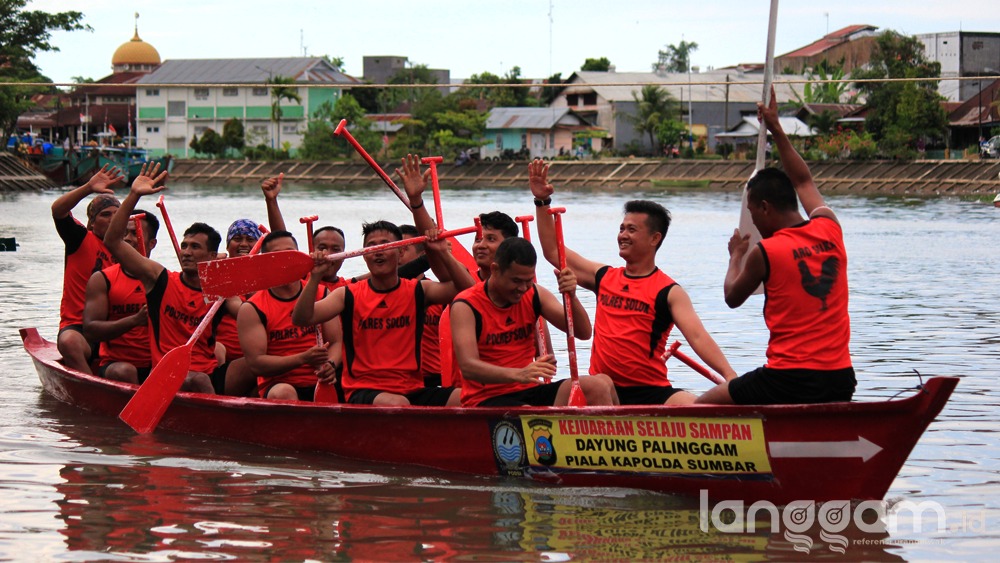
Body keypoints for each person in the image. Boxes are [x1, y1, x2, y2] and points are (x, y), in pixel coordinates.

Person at [529, 159, 737, 405]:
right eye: (622, 228)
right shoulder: (604, 276)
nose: (623, 235)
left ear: (654, 238)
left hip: (652, 389)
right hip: (604, 389)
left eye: (631, 230)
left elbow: (699, 338)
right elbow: (553, 251)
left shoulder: (669, 291)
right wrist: (542, 202)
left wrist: (730, 376)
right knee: (598, 384)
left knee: (697, 406)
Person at [697, 91, 855, 405]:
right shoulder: (829, 227)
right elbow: (804, 182)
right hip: (840, 377)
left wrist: (736, 257)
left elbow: (732, 297)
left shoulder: (765, 253)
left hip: (788, 378)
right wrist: (776, 129)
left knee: (703, 406)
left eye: (752, 214)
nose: (753, 222)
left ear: (766, 207)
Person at [103, 163, 252, 395]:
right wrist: (133, 195)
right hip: (166, 374)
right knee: (199, 380)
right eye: (184, 246)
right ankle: (218, 422)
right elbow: (112, 242)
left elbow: (248, 315)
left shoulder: (220, 292)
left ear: (212, 256)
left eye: (195, 247)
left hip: (208, 372)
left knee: (255, 363)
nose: (186, 252)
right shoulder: (160, 279)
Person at [291, 220, 470, 406]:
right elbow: (301, 318)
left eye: (385, 245)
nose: (377, 251)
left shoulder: (419, 291)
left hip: (412, 388)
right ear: (364, 255)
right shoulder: (347, 294)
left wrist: (442, 253)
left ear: (400, 252)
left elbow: (467, 291)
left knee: (465, 397)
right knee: (397, 402)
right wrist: (315, 277)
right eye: (371, 246)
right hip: (363, 390)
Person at [452, 237, 617, 407]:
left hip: (528, 390)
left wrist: (572, 295)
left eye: (528, 280)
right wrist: (519, 374)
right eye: (516, 281)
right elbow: (468, 367)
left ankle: (617, 432)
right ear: (495, 270)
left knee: (599, 384)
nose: (523, 288)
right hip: (486, 399)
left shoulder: (534, 294)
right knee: (527, 413)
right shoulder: (466, 305)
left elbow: (583, 332)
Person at [238, 231, 342, 401]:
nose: (285, 262)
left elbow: (336, 342)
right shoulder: (252, 308)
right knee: (284, 393)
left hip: (321, 380)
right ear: (265, 263)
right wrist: (303, 358)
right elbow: (256, 363)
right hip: (280, 383)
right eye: (277, 257)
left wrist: (330, 364)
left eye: (290, 254)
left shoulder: (321, 292)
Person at [50, 164, 126, 374]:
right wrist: (88, 188)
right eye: (105, 215)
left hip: (115, 331)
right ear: (92, 223)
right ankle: (89, 384)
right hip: (80, 329)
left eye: (117, 214)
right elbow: (58, 211)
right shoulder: (82, 239)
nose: (112, 219)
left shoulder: (128, 252)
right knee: (69, 342)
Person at [214, 173, 289, 364]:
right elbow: (240, 311)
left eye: (250, 239)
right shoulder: (217, 271)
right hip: (226, 360)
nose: (243, 244)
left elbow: (282, 246)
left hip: (265, 356)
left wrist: (271, 201)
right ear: (227, 245)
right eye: (237, 239)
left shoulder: (268, 275)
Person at [82, 210, 158, 384]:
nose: (128, 239)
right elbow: (90, 331)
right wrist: (135, 320)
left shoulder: (164, 278)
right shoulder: (103, 279)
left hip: (157, 363)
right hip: (117, 364)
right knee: (125, 371)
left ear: (152, 243)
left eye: (134, 233)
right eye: (123, 233)